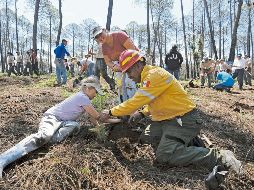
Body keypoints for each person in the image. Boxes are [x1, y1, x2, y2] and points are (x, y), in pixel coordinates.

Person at [99, 50, 242, 185]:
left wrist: (111, 112)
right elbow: (157, 101)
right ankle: (185, 142)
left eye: (129, 71)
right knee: (147, 139)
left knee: (165, 156)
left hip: (184, 119)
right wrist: (142, 113)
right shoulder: (147, 77)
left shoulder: (153, 76)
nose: (128, 76)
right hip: (167, 120)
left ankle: (219, 156)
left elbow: (135, 102)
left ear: (137, 65)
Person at [0, 76, 103, 178]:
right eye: (96, 92)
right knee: (44, 135)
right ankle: (3, 159)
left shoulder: (85, 99)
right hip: (52, 117)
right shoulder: (82, 97)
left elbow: (92, 118)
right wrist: (114, 117)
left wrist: (99, 129)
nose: (96, 95)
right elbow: (98, 116)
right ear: (88, 88)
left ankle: (43, 144)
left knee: (75, 126)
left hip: (64, 121)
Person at [92, 26, 138, 101]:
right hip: (119, 63)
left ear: (105, 30)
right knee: (120, 85)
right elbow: (108, 62)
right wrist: (115, 67)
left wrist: (126, 66)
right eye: (97, 37)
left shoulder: (119, 35)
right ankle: (123, 103)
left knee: (129, 83)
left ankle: (133, 104)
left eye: (100, 34)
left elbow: (133, 51)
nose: (100, 38)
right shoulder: (104, 47)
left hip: (133, 59)